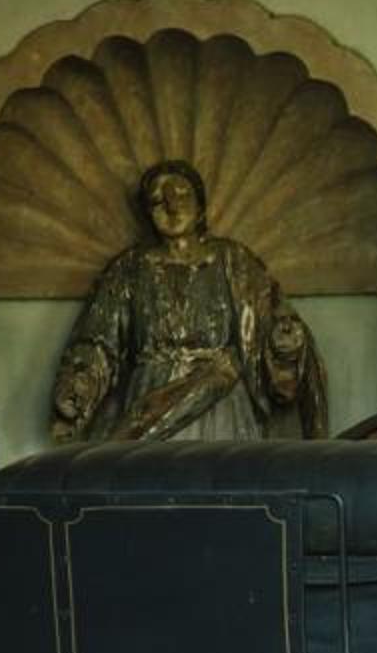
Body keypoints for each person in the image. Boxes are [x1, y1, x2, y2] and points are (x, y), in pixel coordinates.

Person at [48, 158, 327, 447]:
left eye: (181, 194)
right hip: (152, 400)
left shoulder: (234, 261)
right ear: (148, 213)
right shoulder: (129, 268)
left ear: (200, 205)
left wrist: (284, 340)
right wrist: (80, 384)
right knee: (153, 473)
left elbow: (271, 322)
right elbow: (98, 340)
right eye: (159, 200)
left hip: (222, 398)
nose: (172, 206)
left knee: (223, 472)